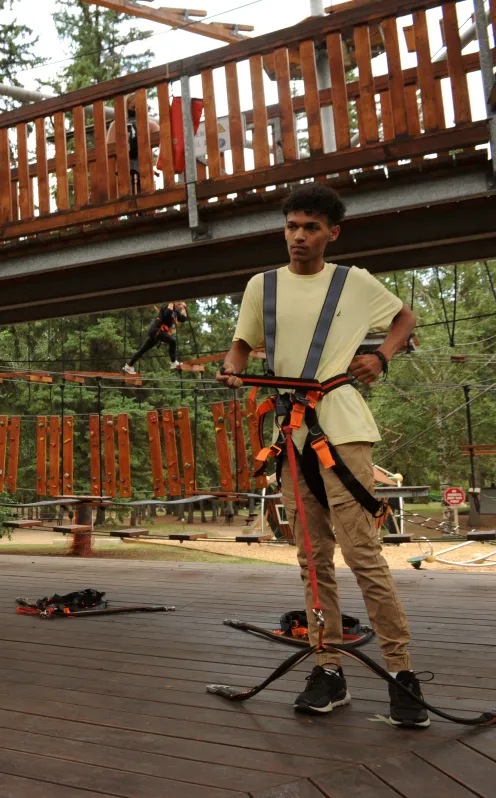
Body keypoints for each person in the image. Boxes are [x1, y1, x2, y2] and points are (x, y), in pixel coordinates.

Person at [217, 183, 426, 728]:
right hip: (289, 436)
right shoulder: (260, 287)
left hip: (341, 429)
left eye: (310, 227)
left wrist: (380, 356)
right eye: (291, 226)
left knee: (362, 554)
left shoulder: (353, 283)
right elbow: (241, 343)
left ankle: (403, 675)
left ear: (332, 233)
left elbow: (406, 319)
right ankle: (327, 669)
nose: (299, 237)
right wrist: (235, 363)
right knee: (313, 561)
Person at [123, 301, 187, 374]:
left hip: (157, 333)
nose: (179, 305)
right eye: (178, 303)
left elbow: (183, 319)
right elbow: (167, 314)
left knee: (142, 350)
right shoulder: (166, 306)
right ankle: (173, 362)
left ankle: (129, 366)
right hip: (156, 330)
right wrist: (171, 303)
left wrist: (184, 309)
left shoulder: (175, 312)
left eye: (180, 304)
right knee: (173, 342)